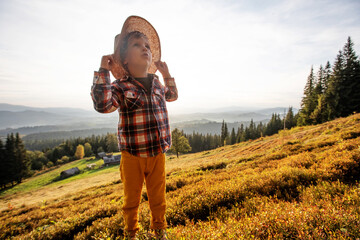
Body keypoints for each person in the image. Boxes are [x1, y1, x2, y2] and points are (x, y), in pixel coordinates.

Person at [90, 16, 178, 240]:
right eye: (137, 45)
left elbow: (172, 96)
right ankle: (131, 233)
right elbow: (102, 104)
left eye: (147, 46)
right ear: (125, 60)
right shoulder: (120, 86)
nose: (145, 49)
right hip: (132, 156)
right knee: (131, 199)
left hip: (158, 153)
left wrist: (167, 76)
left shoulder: (157, 83)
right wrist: (103, 70)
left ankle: (160, 230)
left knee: (158, 197)